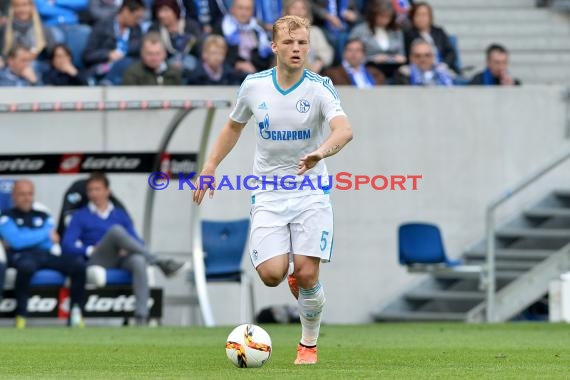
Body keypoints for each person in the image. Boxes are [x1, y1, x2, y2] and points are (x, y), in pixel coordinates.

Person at [193, 15, 353, 364]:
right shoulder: (254, 86)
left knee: (308, 272)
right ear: (275, 47)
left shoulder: (320, 86)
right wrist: (210, 165)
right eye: (289, 43)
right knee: (271, 275)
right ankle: (294, 283)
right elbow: (233, 127)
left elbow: (344, 130)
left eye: (302, 43)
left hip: (310, 190)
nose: (296, 49)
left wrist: (320, 152)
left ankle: (308, 344)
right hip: (268, 192)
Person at [61, 172, 187, 325]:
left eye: (97, 189)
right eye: (90, 190)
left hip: (121, 258)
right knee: (116, 231)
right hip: (98, 259)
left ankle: (141, 317)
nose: (93, 193)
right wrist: (88, 250)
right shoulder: (80, 215)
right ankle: (160, 262)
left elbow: (138, 240)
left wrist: (127, 248)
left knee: (139, 260)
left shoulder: (119, 214)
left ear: (108, 191)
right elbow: (67, 245)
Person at [0, 179, 86, 328]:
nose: (27, 198)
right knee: (26, 267)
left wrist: (27, 236)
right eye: (22, 194)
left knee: (78, 264)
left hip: (44, 254)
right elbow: (16, 242)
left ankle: (75, 312)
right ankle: (21, 315)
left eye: (30, 194)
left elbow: (52, 241)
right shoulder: (6, 216)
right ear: (13, 196)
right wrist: (44, 234)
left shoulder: (43, 214)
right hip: (21, 256)